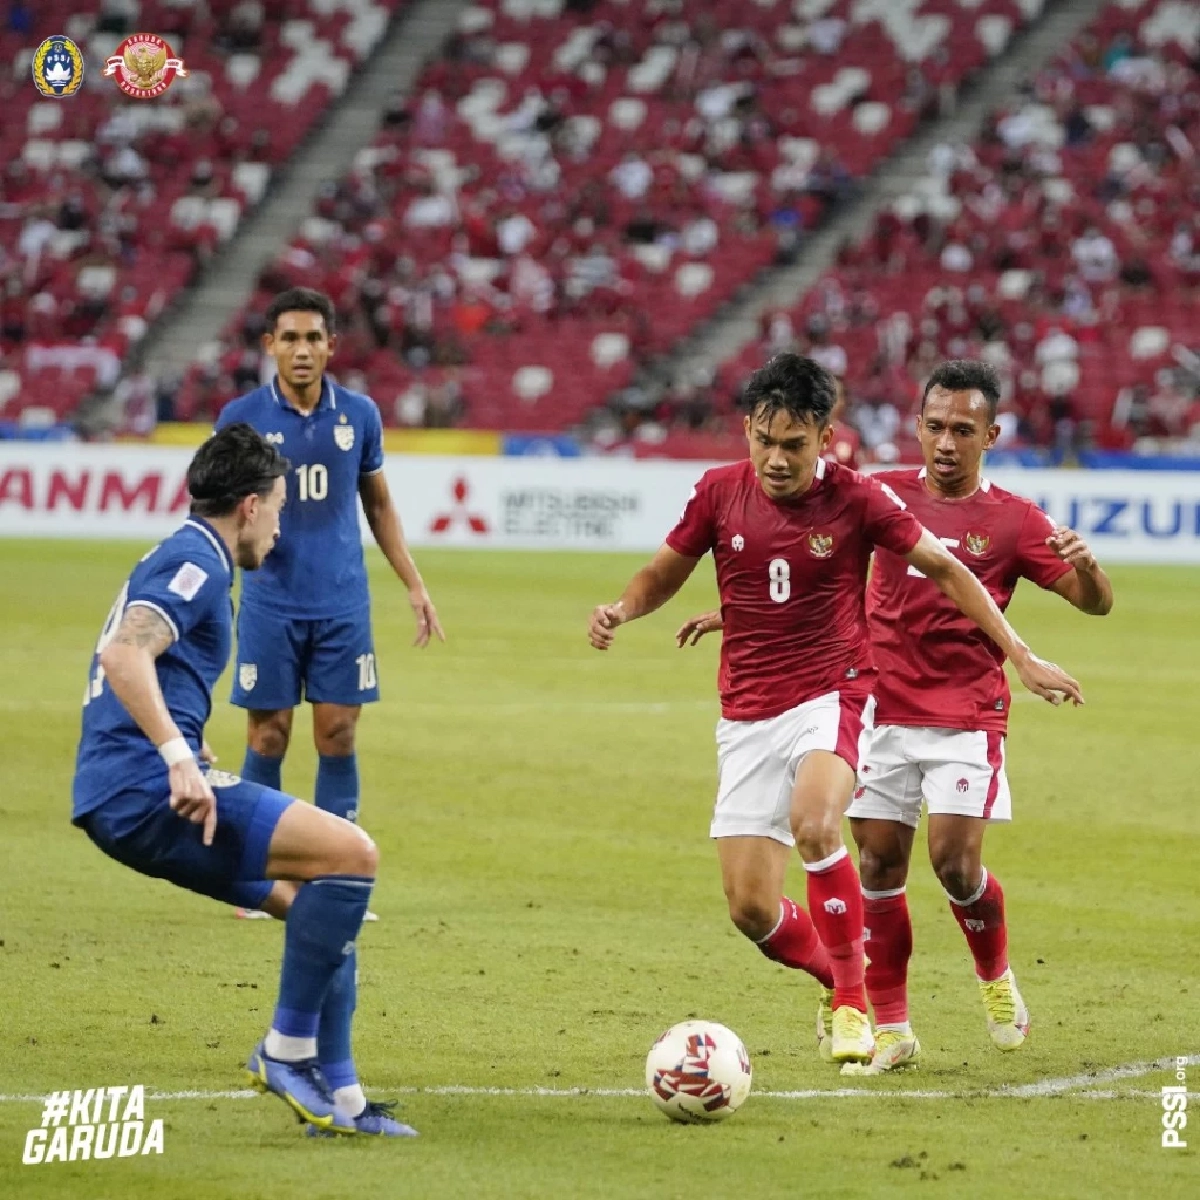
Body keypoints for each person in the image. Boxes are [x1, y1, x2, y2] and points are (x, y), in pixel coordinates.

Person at [590, 353, 1082, 1067]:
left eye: (794, 443)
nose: (777, 458)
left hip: (836, 693)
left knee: (822, 825)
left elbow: (948, 569)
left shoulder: (859, 498)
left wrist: (1020, 653)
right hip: (747, 711)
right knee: (752, 910)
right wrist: (623, 608)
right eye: (764, 440)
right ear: (747, 432)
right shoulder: (719, 492)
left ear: (825, 436)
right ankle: (831, 976)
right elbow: (666, 570)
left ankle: (860, 1003)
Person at [71, 424, 415, 1136]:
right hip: (144, 790)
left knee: (324, 909)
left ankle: (344, 1101)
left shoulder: (187, 556)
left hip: (119, 795)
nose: (281, 528)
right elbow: (123, 655)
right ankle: (285, 1054)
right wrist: (175, 757)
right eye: (282, 508)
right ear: (251, 507)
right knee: (352, 854)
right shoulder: (195, 563)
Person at [214, 287, 443, 926]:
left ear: (331, 346)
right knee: (268, 734)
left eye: (314, 338)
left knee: (337, 733)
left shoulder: (360, 415)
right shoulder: (241, 417)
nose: (302, 350)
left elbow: (378, 504)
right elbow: (219, 509)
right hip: (269, 603)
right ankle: (262, 878)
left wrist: (414, 582)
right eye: (289, 338)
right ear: (270, 347)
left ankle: (335, 880)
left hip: (342, 605)